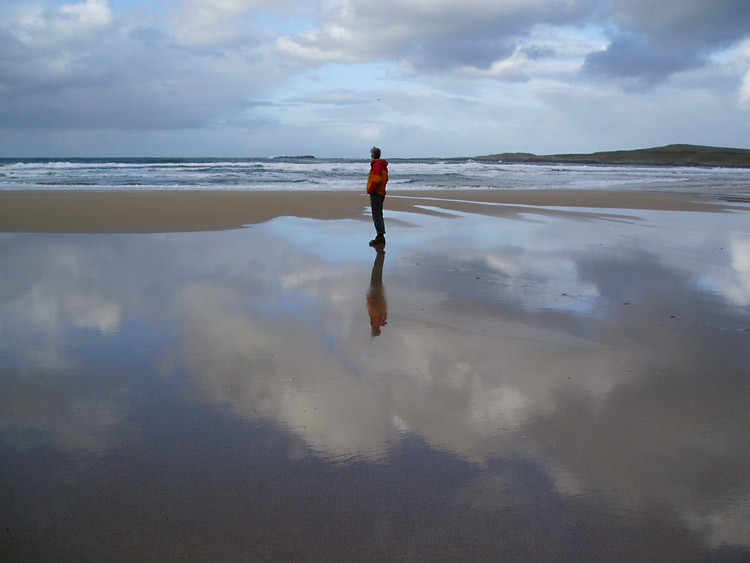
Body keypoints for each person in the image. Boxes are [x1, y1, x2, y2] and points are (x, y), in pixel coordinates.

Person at [366, 146, 389, 246]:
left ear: (372, 155)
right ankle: (380, 234)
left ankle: (380, 235)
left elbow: (376, 180)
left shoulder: (377, 165)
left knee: (376, 215)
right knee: (379, 214)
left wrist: (370, 190)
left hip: (377, 192)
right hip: (381, 192)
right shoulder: (382, 165)